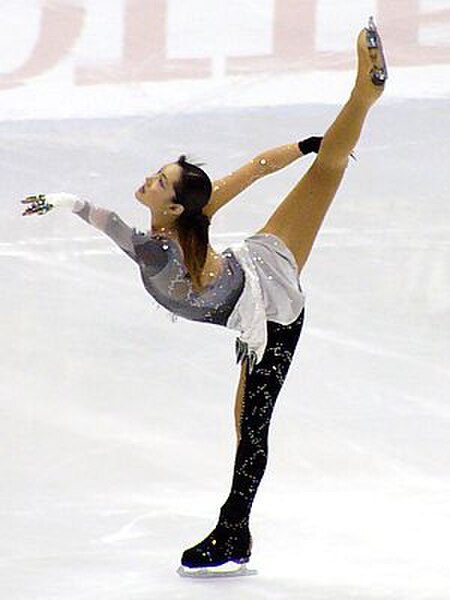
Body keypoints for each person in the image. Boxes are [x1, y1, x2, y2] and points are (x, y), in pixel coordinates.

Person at [21, 19, 387, 577]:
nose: (148, 180)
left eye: (159, 181)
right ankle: (364, 95)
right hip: (266, 263)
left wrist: (63, 199)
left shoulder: (155, 251)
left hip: (272, 317)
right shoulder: (195, 220)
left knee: (251, 427)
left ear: (171, 208)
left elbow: (108, 221)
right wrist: (304, 146)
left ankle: (233, 532)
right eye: (157, 174)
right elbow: (252, 171)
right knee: (329, 166)